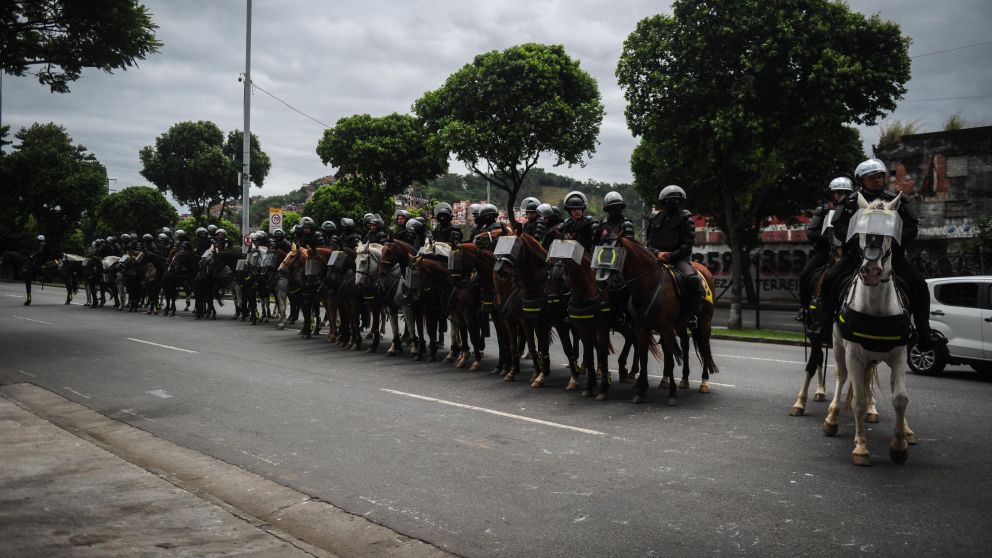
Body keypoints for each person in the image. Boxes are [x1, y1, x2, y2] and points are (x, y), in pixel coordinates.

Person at [817, 158, 943, 350]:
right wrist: (859, 240)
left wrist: (889, 241)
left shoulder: (897, 201)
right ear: (861, 180)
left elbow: (911, 229)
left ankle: (924, 333)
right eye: (871, 177)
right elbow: (840, 227)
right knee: (829, 279)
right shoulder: (850, 202)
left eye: (880, 176)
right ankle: (825, 327)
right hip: (856, 256)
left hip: (891, 255)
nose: (877, 180)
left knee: (919, 284)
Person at [795, 177, 853, 322]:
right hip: (825, 253)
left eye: (845, 193)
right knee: (804, 275)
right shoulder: (822, 211)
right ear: (832, 194)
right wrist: (828, 237)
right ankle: (804, 309)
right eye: (838, 193)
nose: (842, 196)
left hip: (848, 253)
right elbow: (811, 233)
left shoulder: (855, 211)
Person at [645, 185, 703, 328]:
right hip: (656, 258)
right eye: (669, 200)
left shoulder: (686, 219)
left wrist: (670, 256)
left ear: (681, 201)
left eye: (676, 200)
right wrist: (657, 253)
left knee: (693, 279)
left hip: (678, 259)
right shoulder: (654, 218)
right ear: (663, 202)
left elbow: (687, 245)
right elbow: (649, 242)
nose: (673, 203)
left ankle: (692, 315)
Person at [23, 234, 55, 305]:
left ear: (40, 240)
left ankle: (40, 276)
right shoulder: (43, 244)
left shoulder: (42, 244)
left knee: (35, 263)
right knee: (34, 261)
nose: (36, 241)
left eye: (37, 240)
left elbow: (40, 252)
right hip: (44, 257)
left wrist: (33, 255)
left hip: (44, 258)